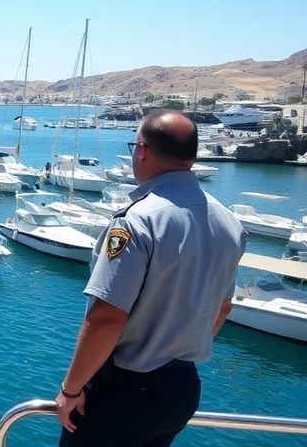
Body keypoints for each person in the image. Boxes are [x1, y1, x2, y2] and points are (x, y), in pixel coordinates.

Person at [55, 110, 247, 447]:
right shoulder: (229, 222)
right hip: (183, 389)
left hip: (126, 395)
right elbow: (223, 308)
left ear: (141, 151)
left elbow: (107, 318)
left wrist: (70, 390)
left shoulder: (137, 221)